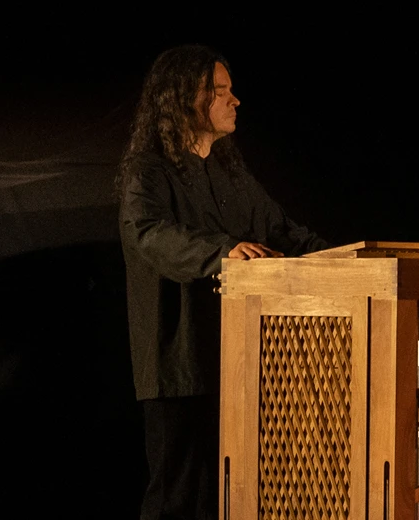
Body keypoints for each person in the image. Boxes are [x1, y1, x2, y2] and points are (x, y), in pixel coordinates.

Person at [116, 44, 331, 520]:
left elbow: (286, 234)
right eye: (220, 91)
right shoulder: (149, 171)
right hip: (181, 364)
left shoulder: (232, 174)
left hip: (239, 362)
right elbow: (148, 233)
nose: (235, 101)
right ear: (184, 99)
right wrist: (224, 250)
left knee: (233, 494)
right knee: (177, 497)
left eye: (231, 90)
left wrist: (350, 261)